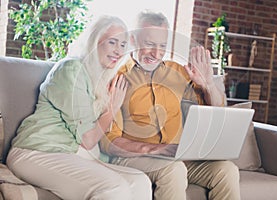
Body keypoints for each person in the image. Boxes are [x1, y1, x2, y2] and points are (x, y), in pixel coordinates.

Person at [6, 15, 152, 200]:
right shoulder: (72, 69)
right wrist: (112, 108)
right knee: (113, 188)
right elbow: (87, 139)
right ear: (94, 42)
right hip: (36, 151)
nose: (118, 51)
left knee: (140, 181)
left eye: (123, 45)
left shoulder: (100, 78)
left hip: (70, 153)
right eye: (112, 42)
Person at [100, 11, 240, 200]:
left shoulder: (178, 72)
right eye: (149, 44)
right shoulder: (117, 78)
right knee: (172, 170)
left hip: (177, 157)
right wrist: (155, 149)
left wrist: (207, 85)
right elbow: (109, 142)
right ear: (133, 39)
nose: (156, 54)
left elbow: (217, 111)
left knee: (226, 170)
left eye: (162, 46)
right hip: (133, 157)